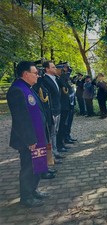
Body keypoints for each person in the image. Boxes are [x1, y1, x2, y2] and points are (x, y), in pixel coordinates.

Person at [6, 61, 50, 207]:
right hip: (28, 139)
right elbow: (21, 119)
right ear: (25, 74)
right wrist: (30, 140)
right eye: (35, 73)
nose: (38, 75)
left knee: (37, 165)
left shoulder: (28, 88)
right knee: (28, 167)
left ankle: (33, 190)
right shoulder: (17, 90)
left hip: (37, 136)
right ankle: (26, 197)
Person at [41, 61, 65, 162]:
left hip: (57, 109)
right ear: (47, 69)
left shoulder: (55, 78)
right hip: (52, 111)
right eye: (53, 67)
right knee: (51, 133)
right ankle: (51, 157)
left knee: (54, 132)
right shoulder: (44, 80)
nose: (55, 69)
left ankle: (55, 152)